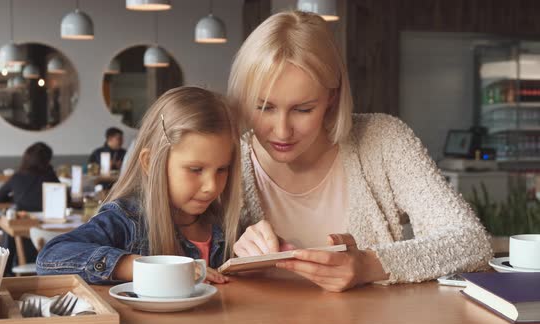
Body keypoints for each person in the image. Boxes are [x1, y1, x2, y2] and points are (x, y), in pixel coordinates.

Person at [227, 10, 493, 292]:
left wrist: (367, 265)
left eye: (303, 109)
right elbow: (189, 262)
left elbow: (471, 242)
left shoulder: (383, 139)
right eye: (264, 107)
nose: (281, 131)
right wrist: (234, 250)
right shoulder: (225, 160)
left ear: (332, 97)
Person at [37, 87, 242, 285]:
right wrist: (147, 268)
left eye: (222, 169)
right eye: (195, 169)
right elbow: (49, 259)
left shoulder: (225, 224)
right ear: (150, 162)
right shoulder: (126, 220)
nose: (211, 186)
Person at [0, 142, 60, 274]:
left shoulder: (18, 177)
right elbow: (63, 199)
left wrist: (15, 199)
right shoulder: (50, 176)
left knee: (9, 231)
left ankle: (7, 272)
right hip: (50, 237)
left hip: (22, 229)